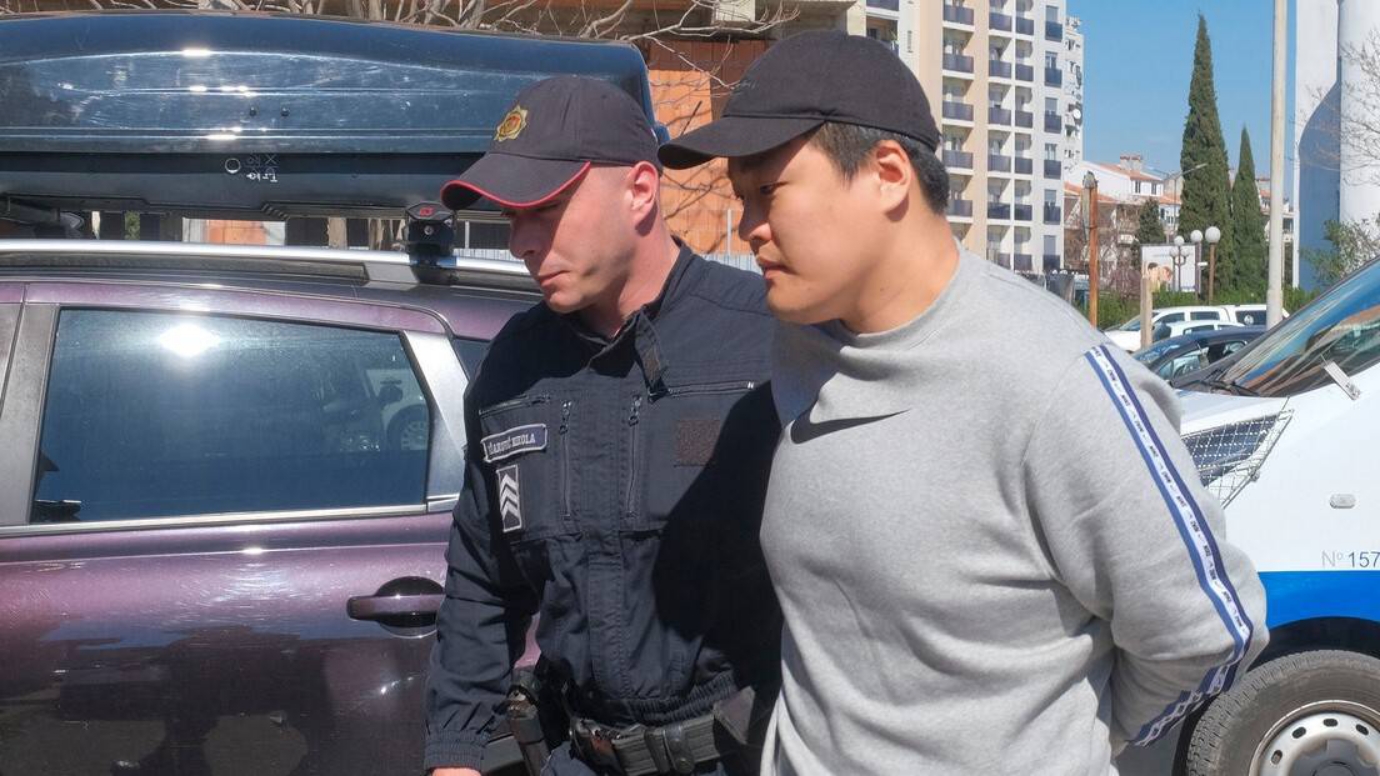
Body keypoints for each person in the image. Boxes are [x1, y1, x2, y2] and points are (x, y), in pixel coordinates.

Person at [659, 30, 1269, 775]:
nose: (748, 227)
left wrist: (1069, 742)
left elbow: (1209, 632)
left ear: (887, 175)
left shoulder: (1052, 380)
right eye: (739, 198)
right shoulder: (801, 346)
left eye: (768, 192)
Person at [424, 76, 782, 776]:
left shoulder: (767, 340)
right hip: (581, 756)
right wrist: (455, 754)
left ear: (641, 190)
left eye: (545, 210)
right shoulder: (514, 365)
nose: (521, 243)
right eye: (511, 219)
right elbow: (482, 583)